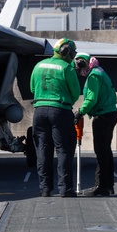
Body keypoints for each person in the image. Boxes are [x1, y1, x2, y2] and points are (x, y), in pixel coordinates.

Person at [30, 38, 81, 197]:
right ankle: (65, 189)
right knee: (63, 149)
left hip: (39, 110)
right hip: (60, 110)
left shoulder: (38, 65)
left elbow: (32, 87)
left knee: (43, 149)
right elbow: (75, 92)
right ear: (68, 52)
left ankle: (45, 188)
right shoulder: (67, 68)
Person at [75, 53, 117, 196]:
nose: (79, 71)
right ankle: (109, 185)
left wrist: (80, 112)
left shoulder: (94, 75)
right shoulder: (100, 71)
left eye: (79, 66)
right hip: (110, 113)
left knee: (101, 152)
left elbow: (91, 98)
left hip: (103, 115)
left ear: (84, 63)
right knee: (106, 151)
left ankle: (101, 186)